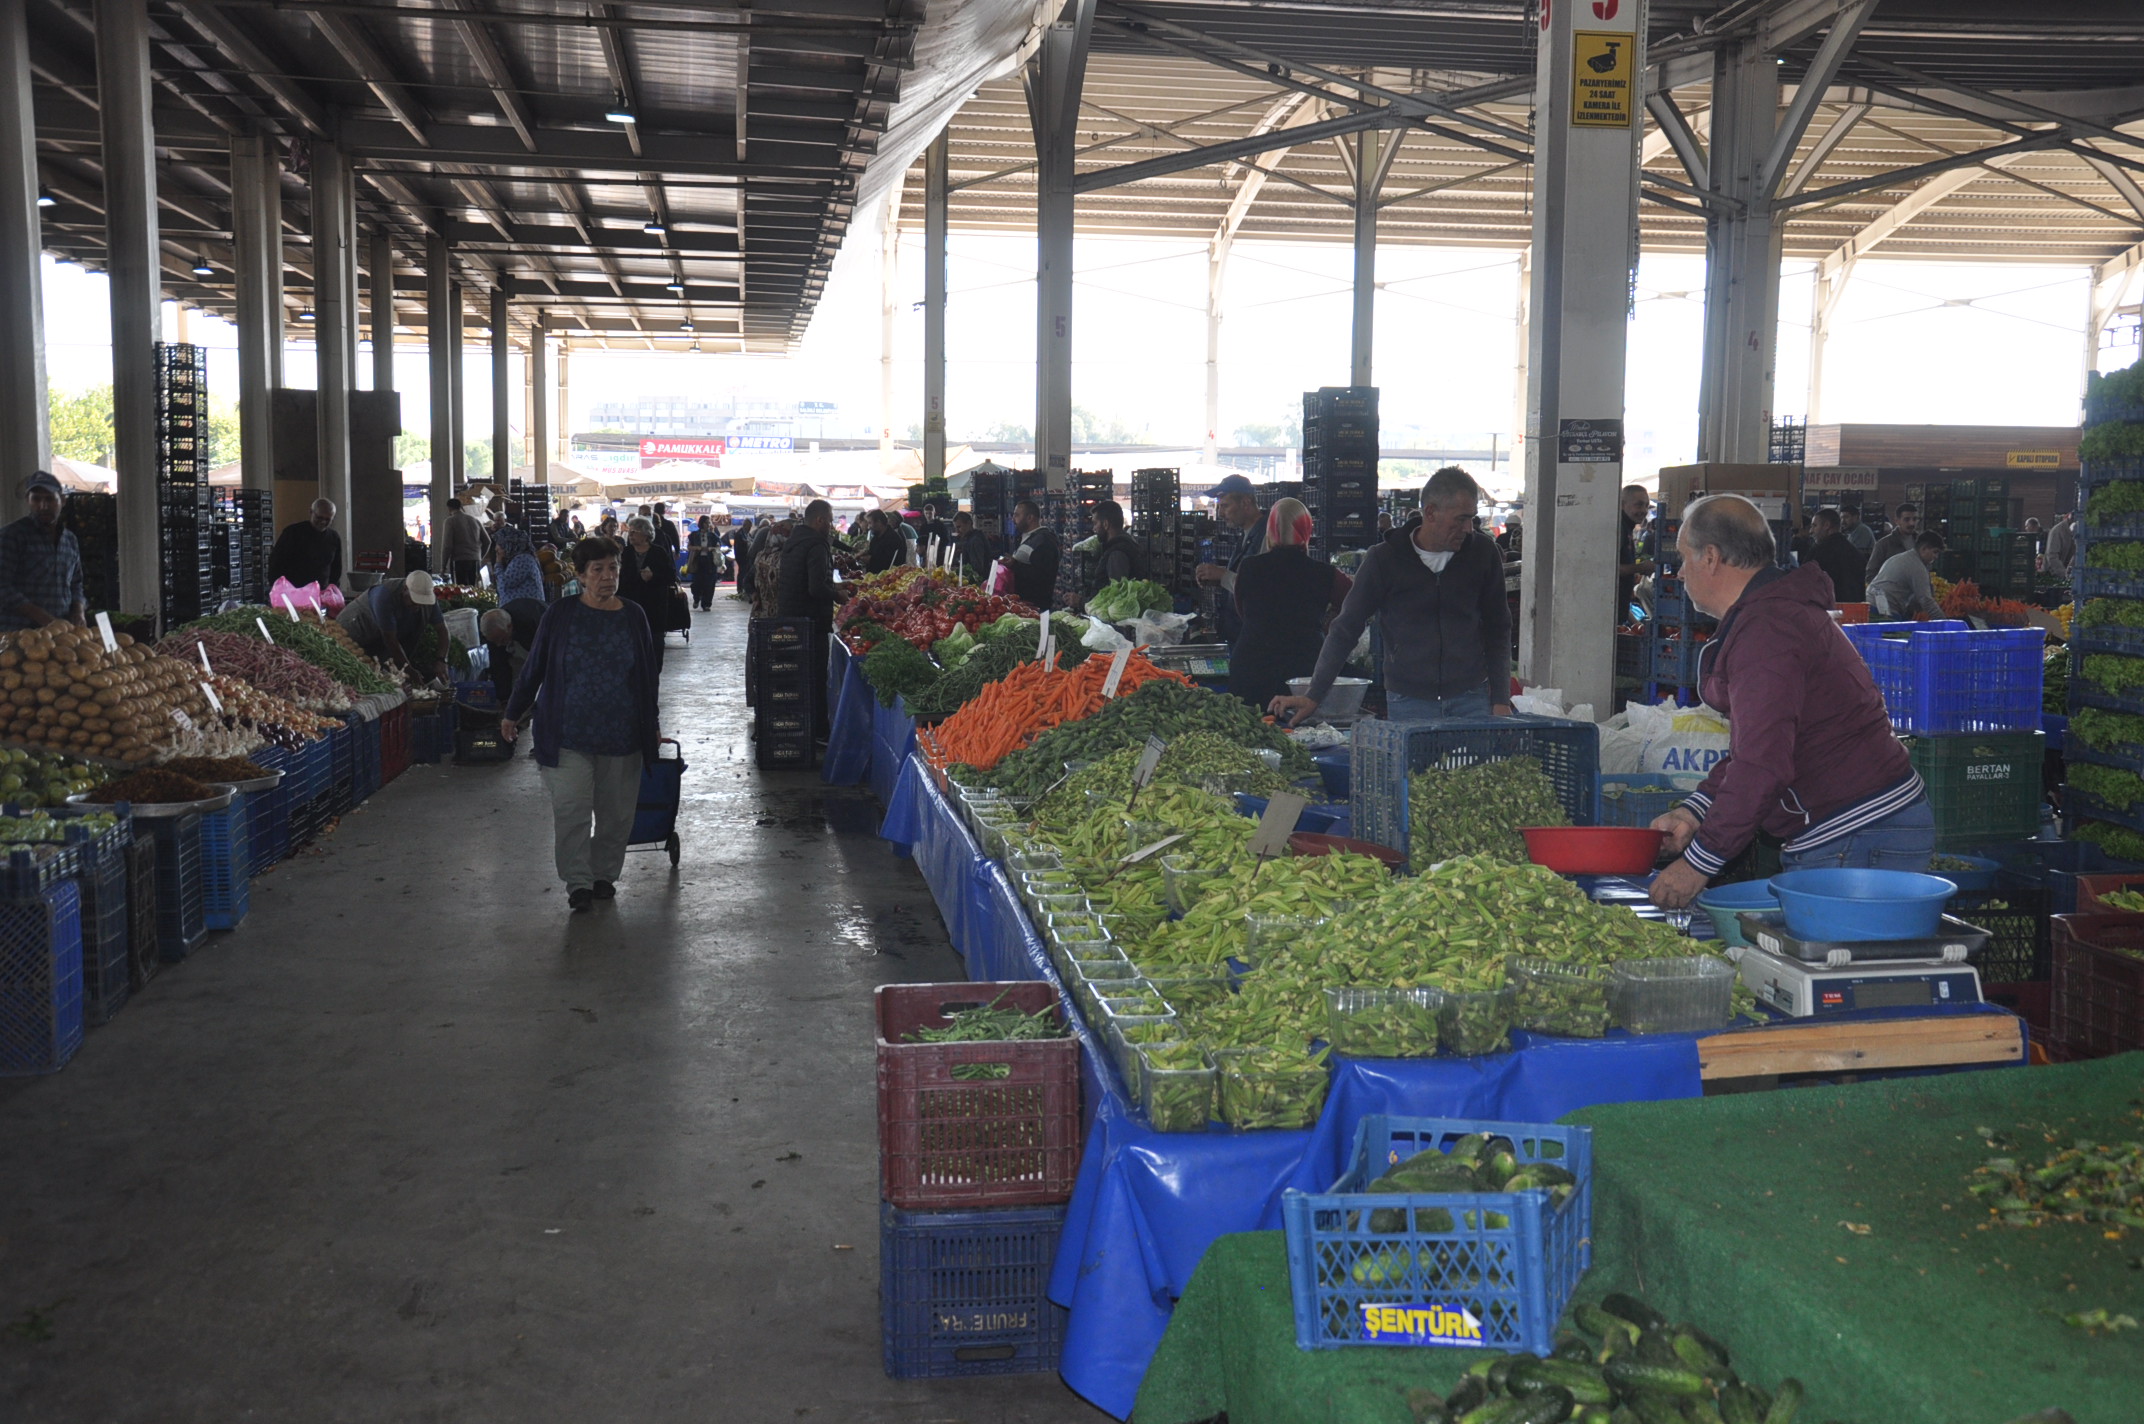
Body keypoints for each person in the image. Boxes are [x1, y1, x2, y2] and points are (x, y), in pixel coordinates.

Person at [1646, 494, 1931, 910]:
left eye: (1684, 557)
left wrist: (1698, 865)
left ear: (1711, 557)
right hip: (1859, 825)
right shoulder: (1770, 617)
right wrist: (1694, 812)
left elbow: (1762, 763)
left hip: (1858, 830)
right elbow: (1759, 748)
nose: (1681, 571)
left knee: (1836, 969)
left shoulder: (1768, 632)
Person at [1271, 467, 1512, 727]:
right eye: (1461, 519)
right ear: (1430, 512)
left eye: (1472, 519)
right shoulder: (1384, 559)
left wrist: (1500, 698)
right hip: (1409, 700)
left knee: (1474, 768)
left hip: (1470, 697)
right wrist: (1313, 695)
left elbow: (1498, 627)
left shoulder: (1483, 553)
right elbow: (1345, 628)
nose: (1468, 529)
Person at [500, 536, 661, 912]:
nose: (608, 577)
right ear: (581, 575)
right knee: (572, 808)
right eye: (598, 570)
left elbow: (647, 677)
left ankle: (603, 875)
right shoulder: (560, 614)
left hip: (622, 735)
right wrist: (513, 712)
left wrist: (650, 722)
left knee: (615, 815)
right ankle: (578, 883)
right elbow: (535, 666)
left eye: (613, 568)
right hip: (568, 733)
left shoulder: (634, 615)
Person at [1228, 497, 1352, 710]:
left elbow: (1243, 611)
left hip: (1251, 667)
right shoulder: (1326, 574)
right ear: (1306, 530)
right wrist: (1326, 622)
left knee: (1248, 732)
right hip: (1302, 673)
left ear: (1270, 529)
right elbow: (1353, 606)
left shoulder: (1248, 568)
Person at [778, 500, 844, 737]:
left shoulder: (794, 541)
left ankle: (800, 726)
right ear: (819, 520)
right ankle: (818, 731)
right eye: (830, 519)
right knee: (815, 677)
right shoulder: (816, 544)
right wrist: (839, 595)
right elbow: (816, 587)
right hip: (810, 622)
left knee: (799, 676)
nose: (832, 524)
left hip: (791, 618)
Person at [0, 470, 85, 632]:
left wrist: (78, 610)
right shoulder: (11, 536)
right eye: (36, 499)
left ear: (63, 500)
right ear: (28, 501)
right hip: (18, 633)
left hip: (61, 635)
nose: (43, 506)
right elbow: (3, 587)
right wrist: (42, 617)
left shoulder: (70, 540)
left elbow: (76, 583)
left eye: (49, 499)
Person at [1193, 473, 1267, 644]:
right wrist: (1217, 580)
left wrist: (1222, 575)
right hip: (1238, 632)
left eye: (1225, 506)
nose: (1221, 514)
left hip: (1254, 636)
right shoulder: (1245, 536)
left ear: (1246, 503)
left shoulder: (1266, 536)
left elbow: (1260, 587)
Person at [336, 570, 449, 679]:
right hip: (355, 630)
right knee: (358, 670)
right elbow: (390, 640)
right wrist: (408, 670)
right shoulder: (384, 595)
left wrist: (441, 660)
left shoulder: (427, 599)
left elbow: (442, 630)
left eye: (421, 603)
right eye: (414, 601)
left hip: (380, 639)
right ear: (405, 589)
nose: (418, 605)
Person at [618, 516, 681, 673]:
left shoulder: (658, 552)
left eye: (635, 532)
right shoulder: (626, 553)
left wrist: (653, 577)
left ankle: (653, 673)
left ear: (646, 534)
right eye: (630, 532)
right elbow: (621, 578)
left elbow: (671, 576)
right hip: (631, 604)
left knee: (655, 643)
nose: (631, 535)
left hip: (655, 606)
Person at [266, 498, 344, 592]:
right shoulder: (293, 533)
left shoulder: (334, 537)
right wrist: (277, 588)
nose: (323, 522)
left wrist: (333, 590)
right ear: (311, 512)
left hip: (321, 592)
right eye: (319, 517)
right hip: (293, 591)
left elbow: (336, 569)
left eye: (328, 519)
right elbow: (276, 562)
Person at [1868, 532, 1947, 620]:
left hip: (1869, 604)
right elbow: (1926, 600)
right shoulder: (1917, 567)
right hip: (1883, 611)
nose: (1936, 557)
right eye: (1935, 552)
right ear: (1924, 548)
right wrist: (1944, 623)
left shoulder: (1901, 557)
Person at [479, 599, 544, 704]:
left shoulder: (534, 623)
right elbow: (499, 667)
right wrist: (504, 699)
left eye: (502, 640)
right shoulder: (494, 632)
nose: (499, 645)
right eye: (495, 642)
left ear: (510, 627)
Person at [1002, 500, 1062, 611]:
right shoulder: (1029, 538)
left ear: (1030, 518)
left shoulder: (1044, 541)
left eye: (1017, 515)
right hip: (1023, 605)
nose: (1013, 519)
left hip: (1035, 606)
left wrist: (1014, 565)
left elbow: (1042, 574)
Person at [1084, 500, 1147, 604]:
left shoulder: (1117, 553)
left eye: (1095, 523)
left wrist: (1082, 602)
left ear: (1105, 524)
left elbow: (1117, 596)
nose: (1094, 529)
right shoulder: (1127, 544)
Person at [1804, 507, 1866, 604]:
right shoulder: (1855, 552)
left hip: (1824, 610)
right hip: (1853, 611)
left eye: (1814, 526)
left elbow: (1805, 583)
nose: (1811, 531)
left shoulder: (1818, 552)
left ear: (1826, 525)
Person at [1617, 484, 1653, 618]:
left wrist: (1635, 624)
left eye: (1646, 506)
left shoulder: (1627, 528)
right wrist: (1641, 567)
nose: (1643, 510)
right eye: (1638, 505)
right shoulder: (1618, 528)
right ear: (1621, 504)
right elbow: (1610, 569)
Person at [438, 497, 489, 586]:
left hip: (459, 561)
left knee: (460, 591)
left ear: (449, 508)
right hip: (475, 560)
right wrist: (479, 556)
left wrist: (443, 566)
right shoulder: (475, 520)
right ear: (461, 507)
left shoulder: (450, 521)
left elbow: (447, 546)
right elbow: (487, 541)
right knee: (474, 590)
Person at [492, 525, 546, 606]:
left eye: (499, 544)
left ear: (509, 544)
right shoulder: (519, 558)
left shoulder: (522, 560)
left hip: (526, 612)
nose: (496, 548)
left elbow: (504, 585)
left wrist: (498, 565)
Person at [1862, 502, 1920, 578]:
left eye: (1914, 519)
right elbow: (1871, 574)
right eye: (1907, 519)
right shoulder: (1884, 545)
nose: (1911, 523)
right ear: (1897, 521)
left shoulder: (1921, 543)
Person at [687, 515, 723, 610]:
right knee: (696, 583)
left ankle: (706, 604)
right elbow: (689, 547)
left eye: (709, 523)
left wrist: (711, 549)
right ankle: (696, 597)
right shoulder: (694, 535)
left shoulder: (713, 535)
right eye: (707, 522)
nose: (708, 524)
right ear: (702, 523)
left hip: (710, 562)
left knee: (709, 583)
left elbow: (718, 546)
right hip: (697, 561)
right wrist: (698, 548)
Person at [950, 511, 993, 585]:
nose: (957, 531)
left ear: (969, 523)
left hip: (978, 584)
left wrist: (958, 570)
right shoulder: (973, 537)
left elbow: (977, 568)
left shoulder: (975, 540)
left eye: (959, 527)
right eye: (956, 528)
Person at [863, 509, 907, 574]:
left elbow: (888, 562)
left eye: (870, 523)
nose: (868, 527)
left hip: (887, 579)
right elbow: (873, 553)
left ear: (879, 522)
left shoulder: (893, 538)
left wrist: (870, 560)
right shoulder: (876, 537)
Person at [2045, 509, 2078, 578]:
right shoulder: (2057, 532)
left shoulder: (2078, 533)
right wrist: (2064, 574)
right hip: (2053, 575)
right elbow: (2052, 556)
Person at [652, 502, 682, 566]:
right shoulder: (669, 524)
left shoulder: (649, 525)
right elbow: (675, 538)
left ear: (654, 510)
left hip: (651, 553)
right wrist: (677, 551)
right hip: (666, 551)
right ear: (664, 511)